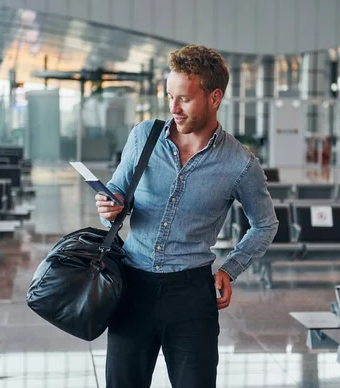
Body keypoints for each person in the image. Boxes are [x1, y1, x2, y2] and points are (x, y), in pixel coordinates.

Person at [96, 44, 279, 388]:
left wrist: (230, 269)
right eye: (169, 96)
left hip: (192, 296)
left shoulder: (240, 164)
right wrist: (110, 208)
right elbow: (116, 196)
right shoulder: (144, 137)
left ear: (214, 97)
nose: (173, 108)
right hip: (132, 287)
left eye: (184, 99)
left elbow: (265, 224)